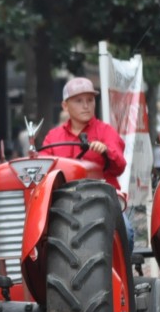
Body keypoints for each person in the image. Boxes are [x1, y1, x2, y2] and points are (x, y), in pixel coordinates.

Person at [42, 77, 132, 248]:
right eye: (79, 101)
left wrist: (105, 150)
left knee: (125, 232)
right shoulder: (53, 137)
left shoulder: (105, 131)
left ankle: (124, 273)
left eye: (90, 100)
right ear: (65, 106)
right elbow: (44, 170)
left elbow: (120, 166)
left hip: (102, 201)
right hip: (62, 206)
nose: (86, 105)